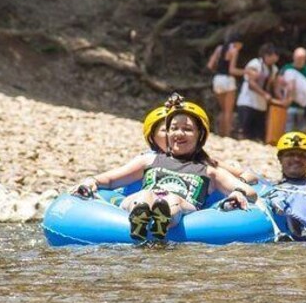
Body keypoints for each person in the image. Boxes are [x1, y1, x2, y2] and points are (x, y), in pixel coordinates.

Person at [74, 94, 258, 241]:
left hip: (181, 204)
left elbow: (249, 191)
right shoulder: (149, 160)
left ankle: (163, 221)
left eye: (187, 129)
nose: (179, 133)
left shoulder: (209, 170)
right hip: (144, 198)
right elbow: (112, 179)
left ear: (200, 135)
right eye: (174, 128)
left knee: (170, 199)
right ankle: (140, 220)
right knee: (146, 195)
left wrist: (238, 192)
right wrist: (92, 181)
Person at [278, 47, 306, 152]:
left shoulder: (290, 72)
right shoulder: (288, 68)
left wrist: (287, 100)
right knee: (302, 126)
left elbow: (291, 87)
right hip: (304, 102)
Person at [235, 43, 280, 141]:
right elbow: (251, 84)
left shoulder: (274, 69)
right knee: (244, 131)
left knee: (258, 134)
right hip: (248, 102)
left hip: (261, 105)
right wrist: (264, 94)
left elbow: (270, 85)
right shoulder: (255, 64)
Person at [206, 32, 244, 138]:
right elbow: (232, 70)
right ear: (238, 43)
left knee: (222, 109)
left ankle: (220, 133)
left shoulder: (219, 49)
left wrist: (218, 70)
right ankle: (227, 135)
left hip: (217, 79)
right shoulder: (234, 51)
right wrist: (246, 72)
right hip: (228, 80)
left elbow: (210, 65)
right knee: (228, 111)